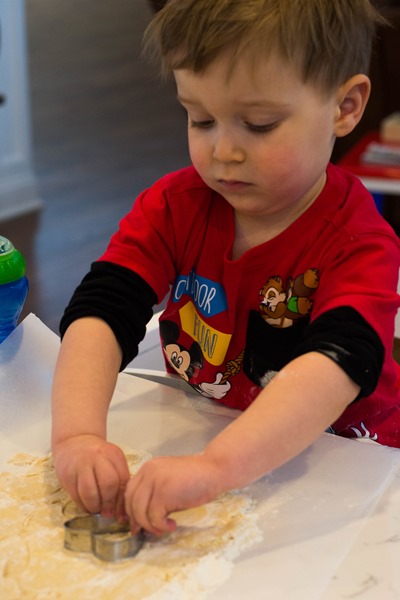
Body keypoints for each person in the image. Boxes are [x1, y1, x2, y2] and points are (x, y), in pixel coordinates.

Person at [52, 0, 400, 536]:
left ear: (345, 106)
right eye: (201, 118)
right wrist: (76, 436)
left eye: (259, 125)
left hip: (352, 464)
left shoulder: (360, 243)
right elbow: (103, 308)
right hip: (215, 430)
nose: (224, 151)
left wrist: (216, 468)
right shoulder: (174, 207)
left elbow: (334, 367)